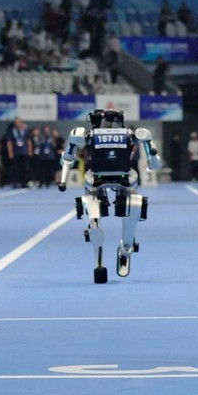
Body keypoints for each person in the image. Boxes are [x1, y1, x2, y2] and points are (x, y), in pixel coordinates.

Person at [58, 109, 162, 284]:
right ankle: (112, 256)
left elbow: (67, 158)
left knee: (132, 206)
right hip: (109, 178)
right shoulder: (130, 134)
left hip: (112, 178)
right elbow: (155, 163)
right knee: (96, 220)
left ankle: (123, 249)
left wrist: (63, 180)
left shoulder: (88, 134)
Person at [6, 118, 31, 188]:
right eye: (16, 123)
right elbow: (9, 142)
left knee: (24, 168)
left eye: (19, 122)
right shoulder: (12, 131)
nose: (18, 124)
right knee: (16, 168)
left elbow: (29, 141)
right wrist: (10, 152)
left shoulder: (25, 131)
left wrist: (30, 151)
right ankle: (16, 182)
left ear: (21, 123)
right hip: (16, 152)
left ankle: (24, 182)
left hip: (24, 152)